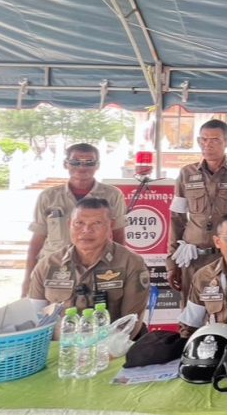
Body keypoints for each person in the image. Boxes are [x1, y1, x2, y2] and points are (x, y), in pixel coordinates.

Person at [168, 119, 227, 303]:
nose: (208, 145)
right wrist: (172, 262)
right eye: (203, 139)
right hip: (192, 258)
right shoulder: (186, 173)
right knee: (191, 310)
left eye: (215, 140)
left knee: (226, 308)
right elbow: (177, 218)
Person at [28, 197, 148, 333]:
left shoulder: (131, 263)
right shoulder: (48, 264)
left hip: (111, 344)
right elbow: (36, 319)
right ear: (69, 224)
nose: (86, 230)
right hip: (59, 344)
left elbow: (130, 324)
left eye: (97, 223)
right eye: (79, 223)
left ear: (111, 225)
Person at [22, 143, 127, 296]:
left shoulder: (112, 195)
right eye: (75, 162)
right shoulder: (48, 197)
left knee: (97, 309)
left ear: (97, 165)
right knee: (51, 309)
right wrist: (27, 280)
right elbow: (37, 240)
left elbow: (118, 236)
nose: (82, 167)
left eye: (89, 162)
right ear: (66, 164)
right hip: (56, 269)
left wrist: (118, 270)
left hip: (97, 267)